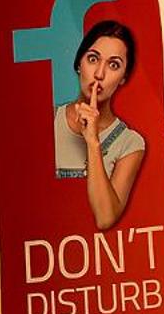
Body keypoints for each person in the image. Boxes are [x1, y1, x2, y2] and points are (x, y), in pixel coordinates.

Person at [53, 20, 147, 230]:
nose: (99, 74)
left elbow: (105, 218)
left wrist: (93, 142)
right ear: (79, 64)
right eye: (93, 59)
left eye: (114, 65)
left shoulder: (130, 143)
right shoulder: (48, 118)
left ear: (123, 78)